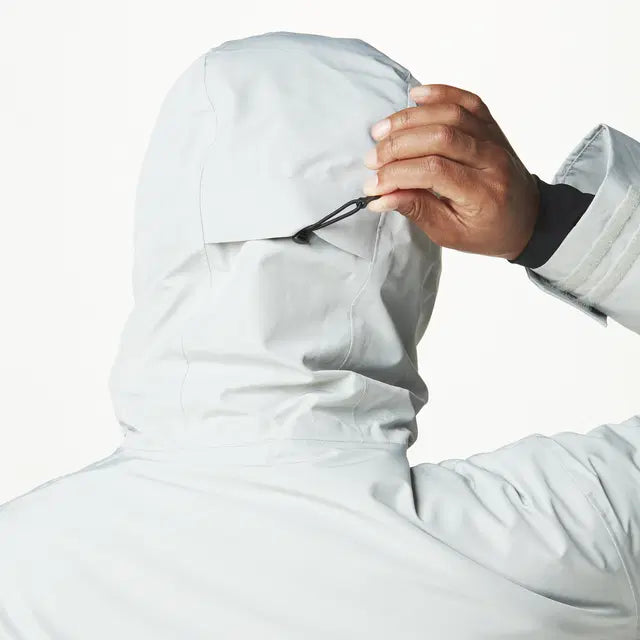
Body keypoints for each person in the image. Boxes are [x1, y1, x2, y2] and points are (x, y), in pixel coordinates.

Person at [0, 31, 638, 639]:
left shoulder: (22, 576)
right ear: (416, 246)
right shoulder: (559, 538)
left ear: (162, 236)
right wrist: (545, 222)